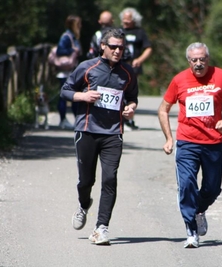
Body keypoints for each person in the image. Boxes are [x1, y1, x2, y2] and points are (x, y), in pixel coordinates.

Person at [157, 42, 222, 248]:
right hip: (187, 142)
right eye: (194, 60)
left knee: (212, 188)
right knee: (186, 186)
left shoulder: (220, 76)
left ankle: (199, 210)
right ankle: (191, 231)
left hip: (213, 142)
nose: (199, 63)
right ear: (189, 61)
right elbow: (163, 109)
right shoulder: (179, 80)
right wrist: (169, 138)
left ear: (208, 59)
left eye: (202, 59)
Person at [60, 28, 138, 245]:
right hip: (87, 130)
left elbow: (132, 98)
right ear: (103, 46)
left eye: (121, 47)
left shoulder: (128, 72)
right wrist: (83, 96)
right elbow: (65, 90)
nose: (117, 51)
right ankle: (84, 204)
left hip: (113, 133)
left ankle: (101, 228)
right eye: (113, 46)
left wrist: (131, 109)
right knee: (86, 180)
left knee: (110, 178)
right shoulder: (87, 67)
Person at [120, 7, 152, 130]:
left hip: (133, 68)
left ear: (134, 20)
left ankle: (129, 119)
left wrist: (140, 60)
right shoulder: (119, 31)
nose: (125, 22)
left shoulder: (140, 32)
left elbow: (148, 48)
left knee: (130, 93)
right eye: (124, 19)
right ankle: (121, 119)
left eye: (128, 19)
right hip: (120, 66)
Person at [56, 15, 82, 129]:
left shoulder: (73, 36)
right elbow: (59, 50)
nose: (80, 26)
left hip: (71, 71)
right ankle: (63, 120)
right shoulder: (66, 36)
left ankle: (74, 120)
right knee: (65, 96)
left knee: (72, 96)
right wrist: (73, 50)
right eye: (78, 24)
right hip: (65, 72)